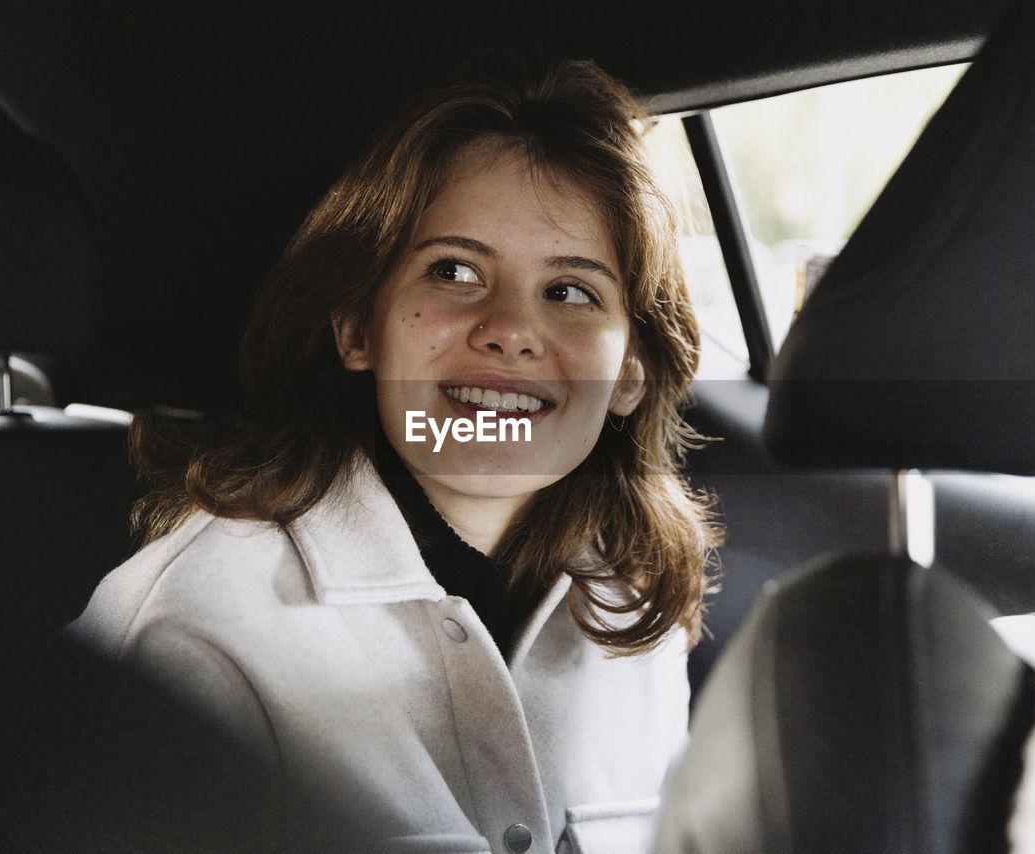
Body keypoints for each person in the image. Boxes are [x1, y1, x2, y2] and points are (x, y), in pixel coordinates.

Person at [69, 55, 718, 854]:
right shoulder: (190, 629)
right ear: (356, 330)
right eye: (454, 271)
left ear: (629, 373)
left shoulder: (636, 611)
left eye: (570, 291)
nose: (510, 328)